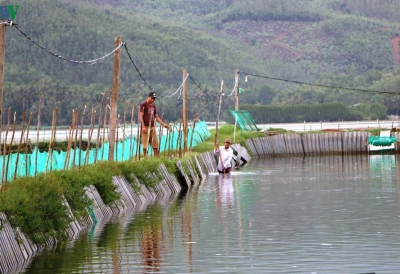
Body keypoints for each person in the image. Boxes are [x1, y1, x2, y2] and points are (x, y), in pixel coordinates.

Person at [139, 91, 169, 157]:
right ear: (148, 97)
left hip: (152, 127)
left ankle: (156, 158)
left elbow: (156, 117)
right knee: (145, 144)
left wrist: (164, 124)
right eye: (152, 98)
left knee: (155, 144)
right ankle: (145, 158)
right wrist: (143, 126)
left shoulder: (153, 107)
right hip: (146, 127)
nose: (153, 100)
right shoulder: (143, 104)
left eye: (154, 99)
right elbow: (140, 115)